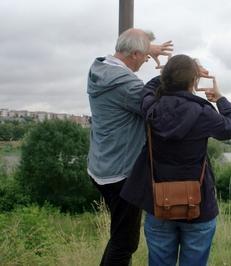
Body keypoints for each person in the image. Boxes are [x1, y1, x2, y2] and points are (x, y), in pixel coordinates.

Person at [121, 54, 231, 266]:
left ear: (166, 78)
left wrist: (170, 72)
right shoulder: (204, 112)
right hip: (199, 205)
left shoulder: (152, 108)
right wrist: (221, 99)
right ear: (193, 82)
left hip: (158, 203)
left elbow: (148, 87)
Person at [86, 28, 173, 266]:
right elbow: (157, 110)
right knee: (124, 242)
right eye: (144, 56)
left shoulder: (100, 69)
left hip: (101, 164)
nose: (146, 60)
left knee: (119, 235)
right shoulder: (125, 84)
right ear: (134, 53)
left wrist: (148, 47)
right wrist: (172, 76)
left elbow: (130, 40)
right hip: (121, 174)